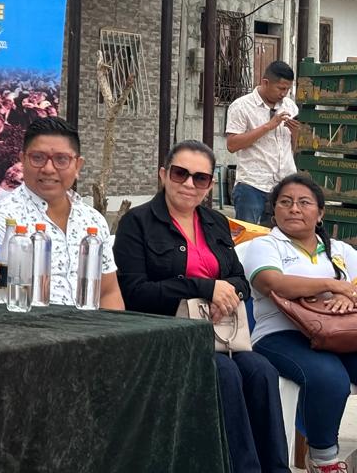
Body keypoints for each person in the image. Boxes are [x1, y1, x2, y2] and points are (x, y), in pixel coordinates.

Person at [114, 140, 289, 473]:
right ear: (163, 174)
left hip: (221, 334)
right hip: (164, 336)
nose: (189, 184)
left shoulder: (216, 222)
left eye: (201, 178)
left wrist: (228, 293)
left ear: (210, 184)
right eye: (180, 174)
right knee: (224, 373)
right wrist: (205, 287)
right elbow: (135, 292)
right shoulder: (137, 222)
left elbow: (240, 280)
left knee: (261, 370)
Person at [244, 173, 357, 473]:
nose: (294, 208)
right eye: (285, 202)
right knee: (330, 378)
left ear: (320, 213)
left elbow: (355, 285)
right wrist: (332, 285)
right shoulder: (266, 245)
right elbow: (272, 282)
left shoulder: (340, 251)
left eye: (304, 202)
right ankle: (323, 459)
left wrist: (348, 295)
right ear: (274, 210)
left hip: (340, 334)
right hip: (281, 336)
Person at [0, 117, 124, 309]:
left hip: (91, 325)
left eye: (61, 159)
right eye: (38, 158)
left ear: (78, 166)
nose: (48, 169)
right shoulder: (3, 220)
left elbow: (108, 292)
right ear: (22, 160)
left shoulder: (93, 220)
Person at [227, 60, 299, 225]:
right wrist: (268, 126)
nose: (284, 93)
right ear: (265, 82)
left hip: (284, 184)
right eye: (280, 88)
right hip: (252, 185)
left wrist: (295, 133)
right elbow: (232, 145)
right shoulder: (241, 106)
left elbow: (294, 149)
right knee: (248, 235)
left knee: (279, 235)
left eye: (287, 89)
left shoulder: (290, 106)